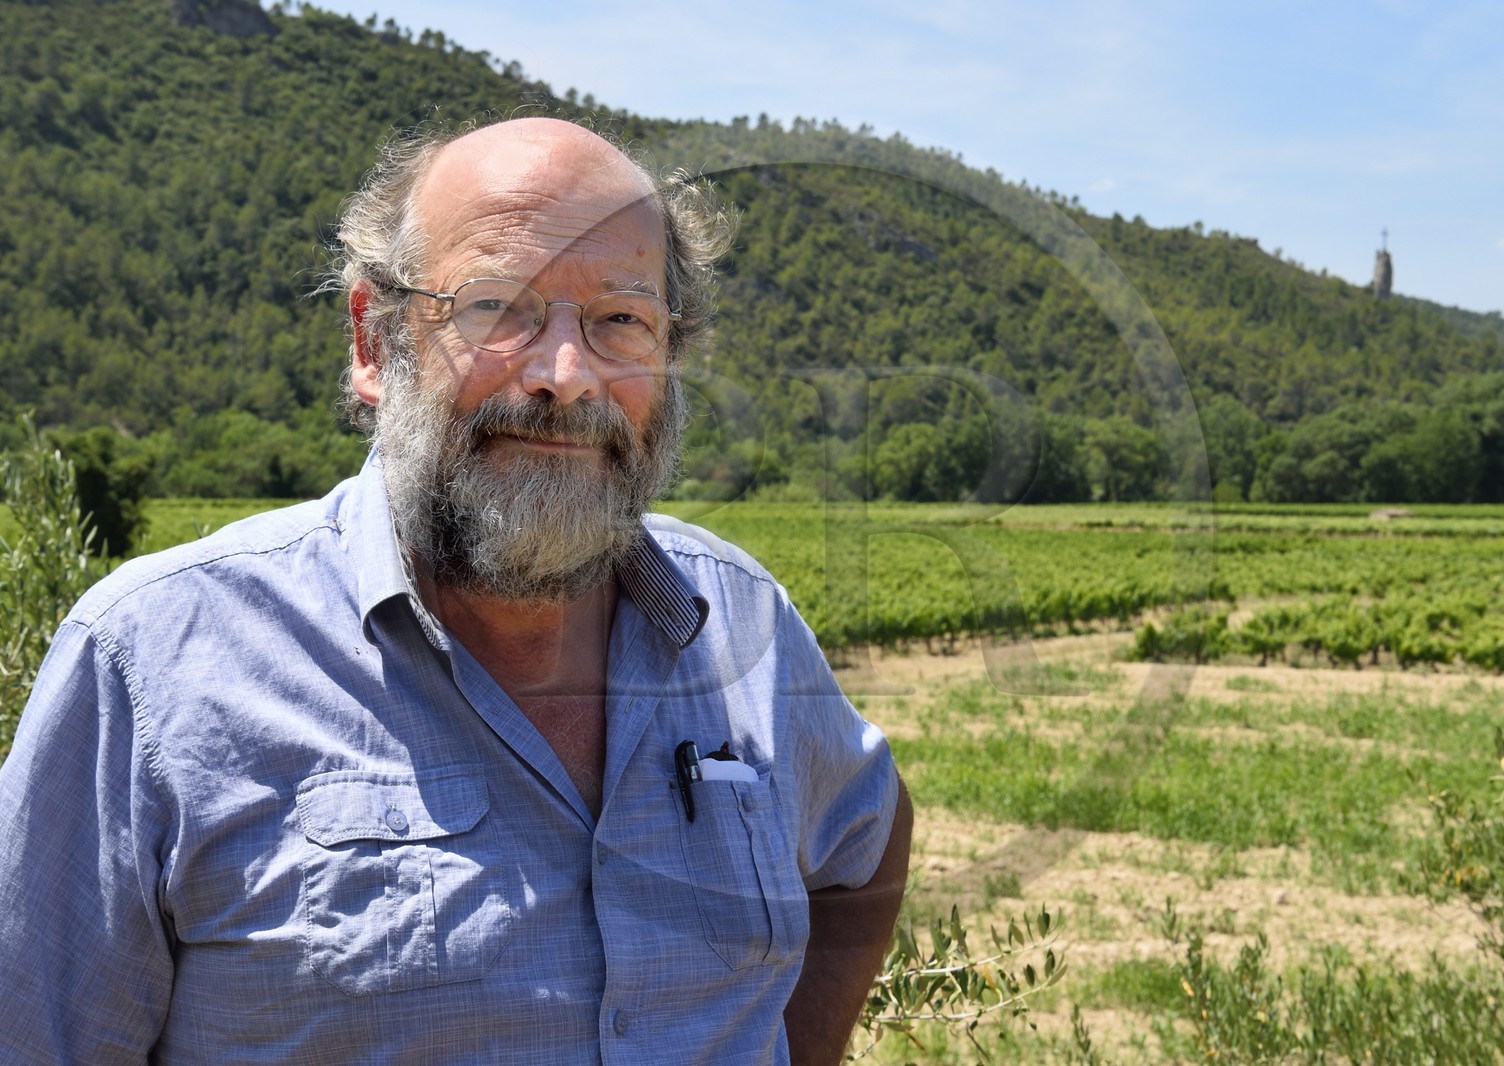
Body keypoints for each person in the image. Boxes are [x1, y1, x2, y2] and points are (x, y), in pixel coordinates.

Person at [0, 117, 911, 1065]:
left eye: (621, 321)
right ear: (372, 339)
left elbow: (867, 840)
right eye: (496, 308)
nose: (566, 375)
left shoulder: (742, 618)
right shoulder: (149, 666)